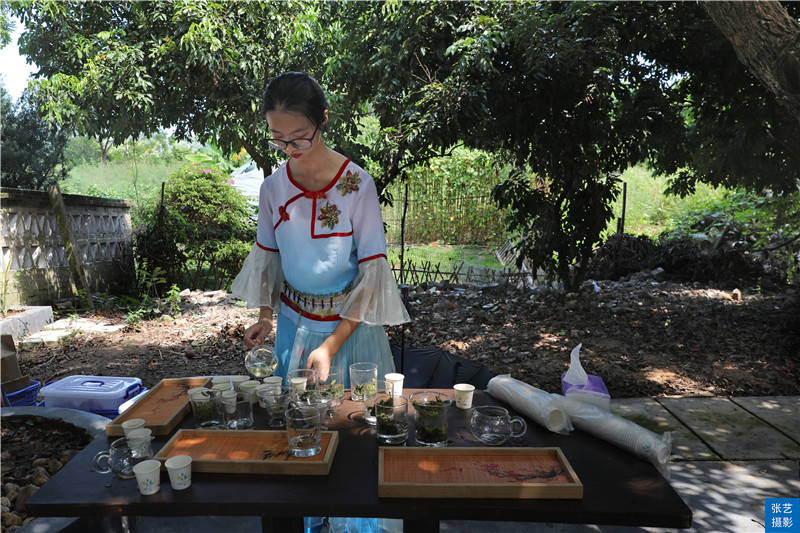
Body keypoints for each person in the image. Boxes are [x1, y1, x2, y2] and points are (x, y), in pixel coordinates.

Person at [231, 70, 409, 389]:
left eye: (299, 136)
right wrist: (265, 317)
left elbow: (372, 277)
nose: (289, 147)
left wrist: (329, 347)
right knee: (299, 424)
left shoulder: (358, 186)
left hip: (350, 331)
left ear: (323, 119)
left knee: (354, 421)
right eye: (278, 138)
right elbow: (269, 260)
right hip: (292, 326)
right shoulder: (272, 189)